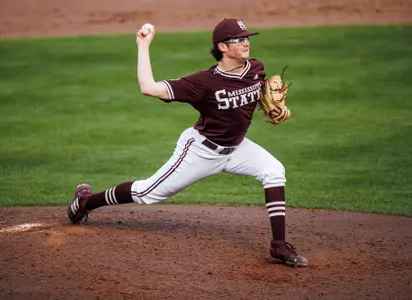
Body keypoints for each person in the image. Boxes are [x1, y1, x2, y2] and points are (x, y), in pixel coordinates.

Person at [67, 18, 308, 267]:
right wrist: (143, 45)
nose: (246, 43)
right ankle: (86, 200)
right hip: (201, 151)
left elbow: (256, 94)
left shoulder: (256, 68)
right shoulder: (203, 83)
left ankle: (278, 245)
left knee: (274, 171)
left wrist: (273, 108)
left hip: (237, 148)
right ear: (222, 47)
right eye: (239, 40)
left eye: (247, 38)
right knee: (147, 193)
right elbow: (148, 88)